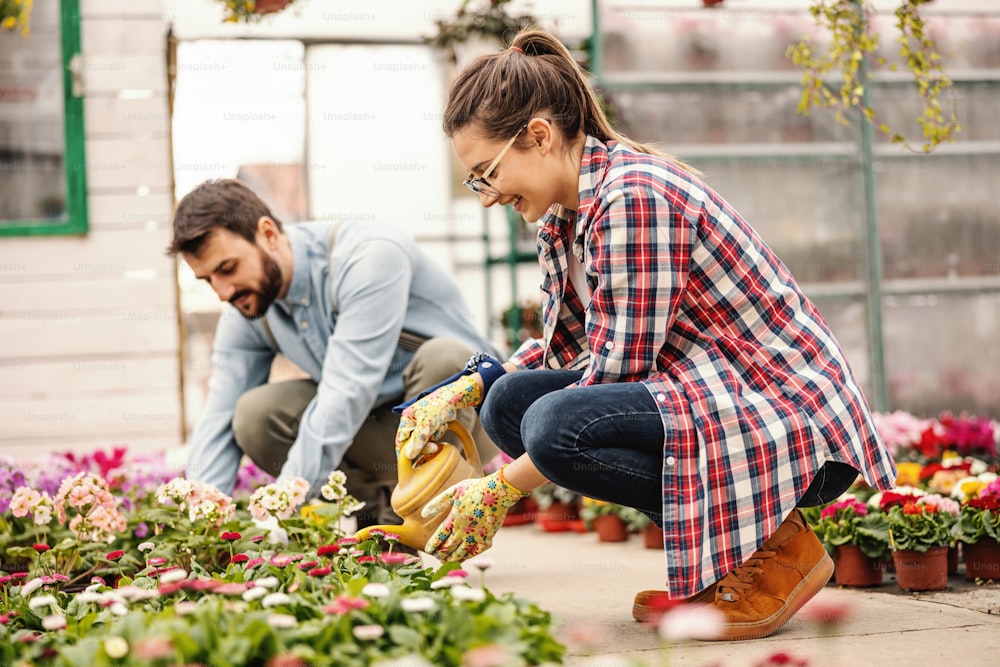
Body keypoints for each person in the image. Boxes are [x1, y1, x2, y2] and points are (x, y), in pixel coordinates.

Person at [394, 29, 897, 641]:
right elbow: (572, 349)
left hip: (785, 420)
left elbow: (615, 372)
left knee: (553, 429)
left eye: (485, 173)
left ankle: (776, 554)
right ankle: (733, 560)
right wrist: (477, 384)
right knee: (511, 406)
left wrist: (498, 488)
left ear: (540, 136)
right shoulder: (566, 216)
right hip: (714, 404)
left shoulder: (633, 196)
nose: (486, 197)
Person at [168, 179, 500, 529]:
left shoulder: (369, 258)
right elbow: (218, 417)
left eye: (227, 268)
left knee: (444, 359)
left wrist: (283, 507)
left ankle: (413, 521)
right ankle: (373, 518)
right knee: (254, 416)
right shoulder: (248, 306)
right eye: (207, 280)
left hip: (469, 421)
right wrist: (201, 523)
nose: (222, 292)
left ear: (267, 234)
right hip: (380, 429)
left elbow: (346, 391)